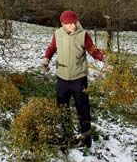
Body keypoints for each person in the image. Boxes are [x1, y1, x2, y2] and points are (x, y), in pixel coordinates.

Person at [41, 10, 106, 148]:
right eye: (69, 23)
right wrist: (46, 59)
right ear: (63, 24)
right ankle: (67, 134)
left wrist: (105, 59)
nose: (73, 25)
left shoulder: (83, 35)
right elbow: (52, 48)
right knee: (62, 107)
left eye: (74, 22)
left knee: (83, 108)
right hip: (62, 78)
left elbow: (93, 51)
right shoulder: (58, 34)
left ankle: (86, 136)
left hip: (79, 78)